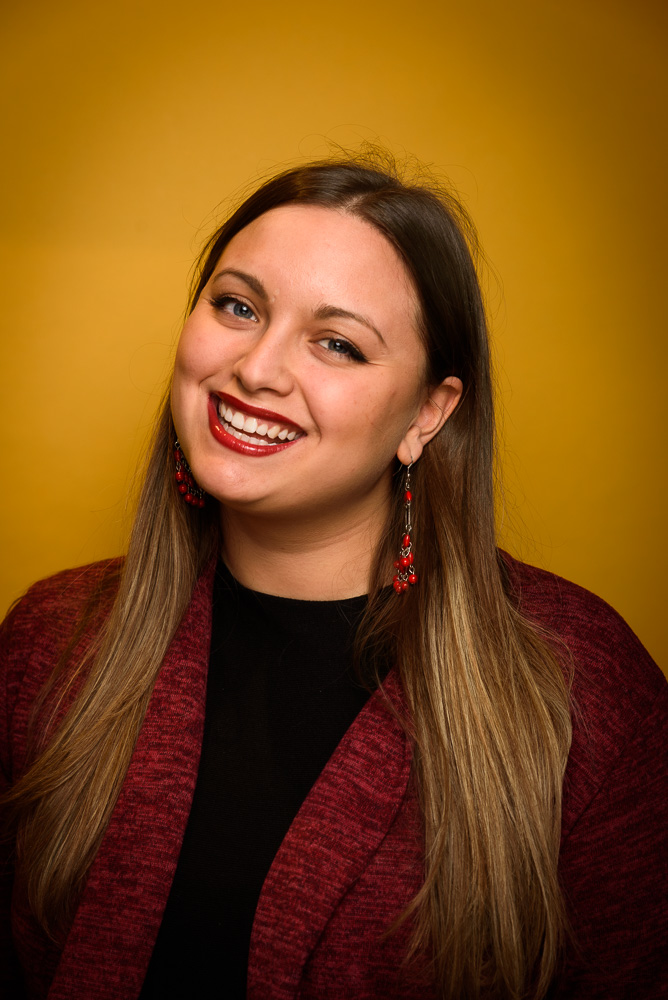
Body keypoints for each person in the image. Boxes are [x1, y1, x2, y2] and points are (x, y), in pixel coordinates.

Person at [1, 154, 666, 1000]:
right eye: (238, 306)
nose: (258, 369)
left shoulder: (583, 690)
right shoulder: (49, 642)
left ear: (428, 414)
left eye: (338, 344)